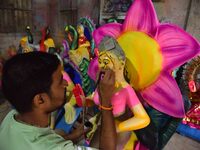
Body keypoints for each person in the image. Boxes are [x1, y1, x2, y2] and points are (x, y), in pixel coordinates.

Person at [0, 52, 116, 150]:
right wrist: (105, 101)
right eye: (60, 81)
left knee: (60, 132)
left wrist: (72, 136)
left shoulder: (11, 118)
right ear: (40, 99)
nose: (66, 83)